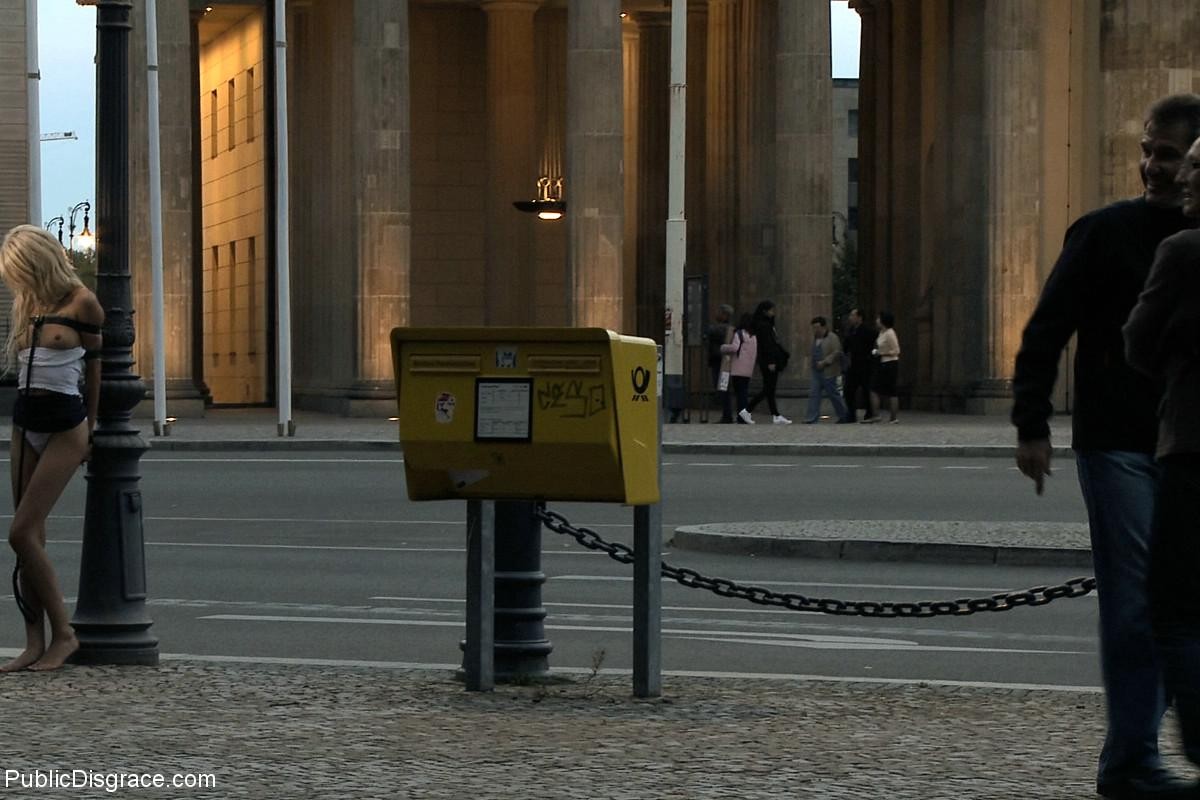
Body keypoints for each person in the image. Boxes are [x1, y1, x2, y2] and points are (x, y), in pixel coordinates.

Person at [1012, 94, 1200, 799]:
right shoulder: (1103, 232)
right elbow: (1047, 327)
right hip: (1119, 444)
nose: (1153, 166)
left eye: (1169, 155)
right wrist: (1031, 422)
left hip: (1183, 449)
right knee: (1135, 605)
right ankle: (1131, 758)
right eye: (1148, 151)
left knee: (1174, 603)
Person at [1124, 132, 1200, 786]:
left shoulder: (1181, 250)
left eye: (1196, 166)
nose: (1185, 178)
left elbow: (1137, 344)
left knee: (1175, 608)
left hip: (1191, 448)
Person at [0, 225, 103, 673]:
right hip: (25, 422)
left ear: (38, 261)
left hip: (65, 425)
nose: (15, 281)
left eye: (20, 270)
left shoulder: (83, 302)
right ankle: (33, 641)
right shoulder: (29, 301)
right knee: (29, 540)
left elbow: (95, 372)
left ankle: (65, 634)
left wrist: (93, 431)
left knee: (20, 531)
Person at [744, 300, 791, 424]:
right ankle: (748, 409)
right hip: (769, 360)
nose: (773, 313)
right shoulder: (764, 325)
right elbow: (767, 345)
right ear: (765, 311)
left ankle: (775, 414)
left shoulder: (764, 324)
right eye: (771, 310)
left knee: (770, 388)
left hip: (766, 360)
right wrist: (771, 361)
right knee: (768, 388)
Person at [804, 316, 848, 424]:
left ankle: (844, 415)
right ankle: (811, 418)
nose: (815, 330)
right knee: (814, 394)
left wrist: (825, 362)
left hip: (828, 371)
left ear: (823, 327)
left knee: (833, 394)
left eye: (817, 327)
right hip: (816, 371)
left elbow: (837, 352)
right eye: (813, 328)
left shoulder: (832, 337)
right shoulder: (815, 338)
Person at [862, 311, 900, 424]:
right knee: (874, 388)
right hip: (882, 363)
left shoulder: (890, 333)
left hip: (890, 363)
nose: (877, 320)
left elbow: (896, 350)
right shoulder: (881, 333)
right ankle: (876, 415)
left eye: (879, 318)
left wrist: (881, 352)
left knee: (889, 390)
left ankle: (892, 417)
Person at [721, 312, 758, 424]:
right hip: (748, 369)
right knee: (744, 393)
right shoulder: (754, 336)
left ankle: (741, 417)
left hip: (738, 369)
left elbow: (734, 348)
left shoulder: (739, 333)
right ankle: (744, 416)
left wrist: (723, 348)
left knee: (739, 394)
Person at [840, 308, 875, 422]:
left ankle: (869, 413)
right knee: (848, 389)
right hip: (854, 364)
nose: (850, 318)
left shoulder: (867, 330)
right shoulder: (851, 330)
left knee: (866, 389)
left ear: (859, 317)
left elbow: (874, 344)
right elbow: (846, 345)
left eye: (852, 315)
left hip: (865, 364)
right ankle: (851, 414)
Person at [705, 304, 735, 424]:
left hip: (720, 362)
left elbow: (709, 332)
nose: (716, 315)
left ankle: (727, 415)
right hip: (724, 361)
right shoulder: (730, 328)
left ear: (724, 315)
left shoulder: (719, 329)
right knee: (724, 388)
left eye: (719, 312)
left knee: (723, 388)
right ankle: (727, 414)